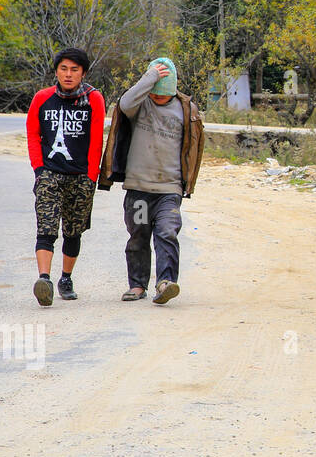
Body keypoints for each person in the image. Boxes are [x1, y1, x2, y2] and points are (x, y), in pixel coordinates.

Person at [98, 57, 205, 305]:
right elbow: (124, 103)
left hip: (169, 189)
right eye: (154, 93)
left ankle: (165, 283)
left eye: (162, 93)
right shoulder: (140, 105)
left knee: (167, 232)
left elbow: (193, 148)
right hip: (139, 189)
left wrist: (186, 184)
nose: (158, 97)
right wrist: (150, 78)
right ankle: (137, 285)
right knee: (138, 235)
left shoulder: (186, 109)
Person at [26, 48, 107, 306]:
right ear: (56, 71)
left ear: (83, 73)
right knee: (46, 228)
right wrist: (39, 169)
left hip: (81, 176)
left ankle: (66, 278)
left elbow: (96, 141)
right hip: (50, 173)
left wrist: (91, 176)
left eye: (74, 70)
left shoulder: (93, 99)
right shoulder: (42, 98)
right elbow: (33, 134)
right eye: (64, 69)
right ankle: (45, 279)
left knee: (73, 231)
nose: (68, 74)